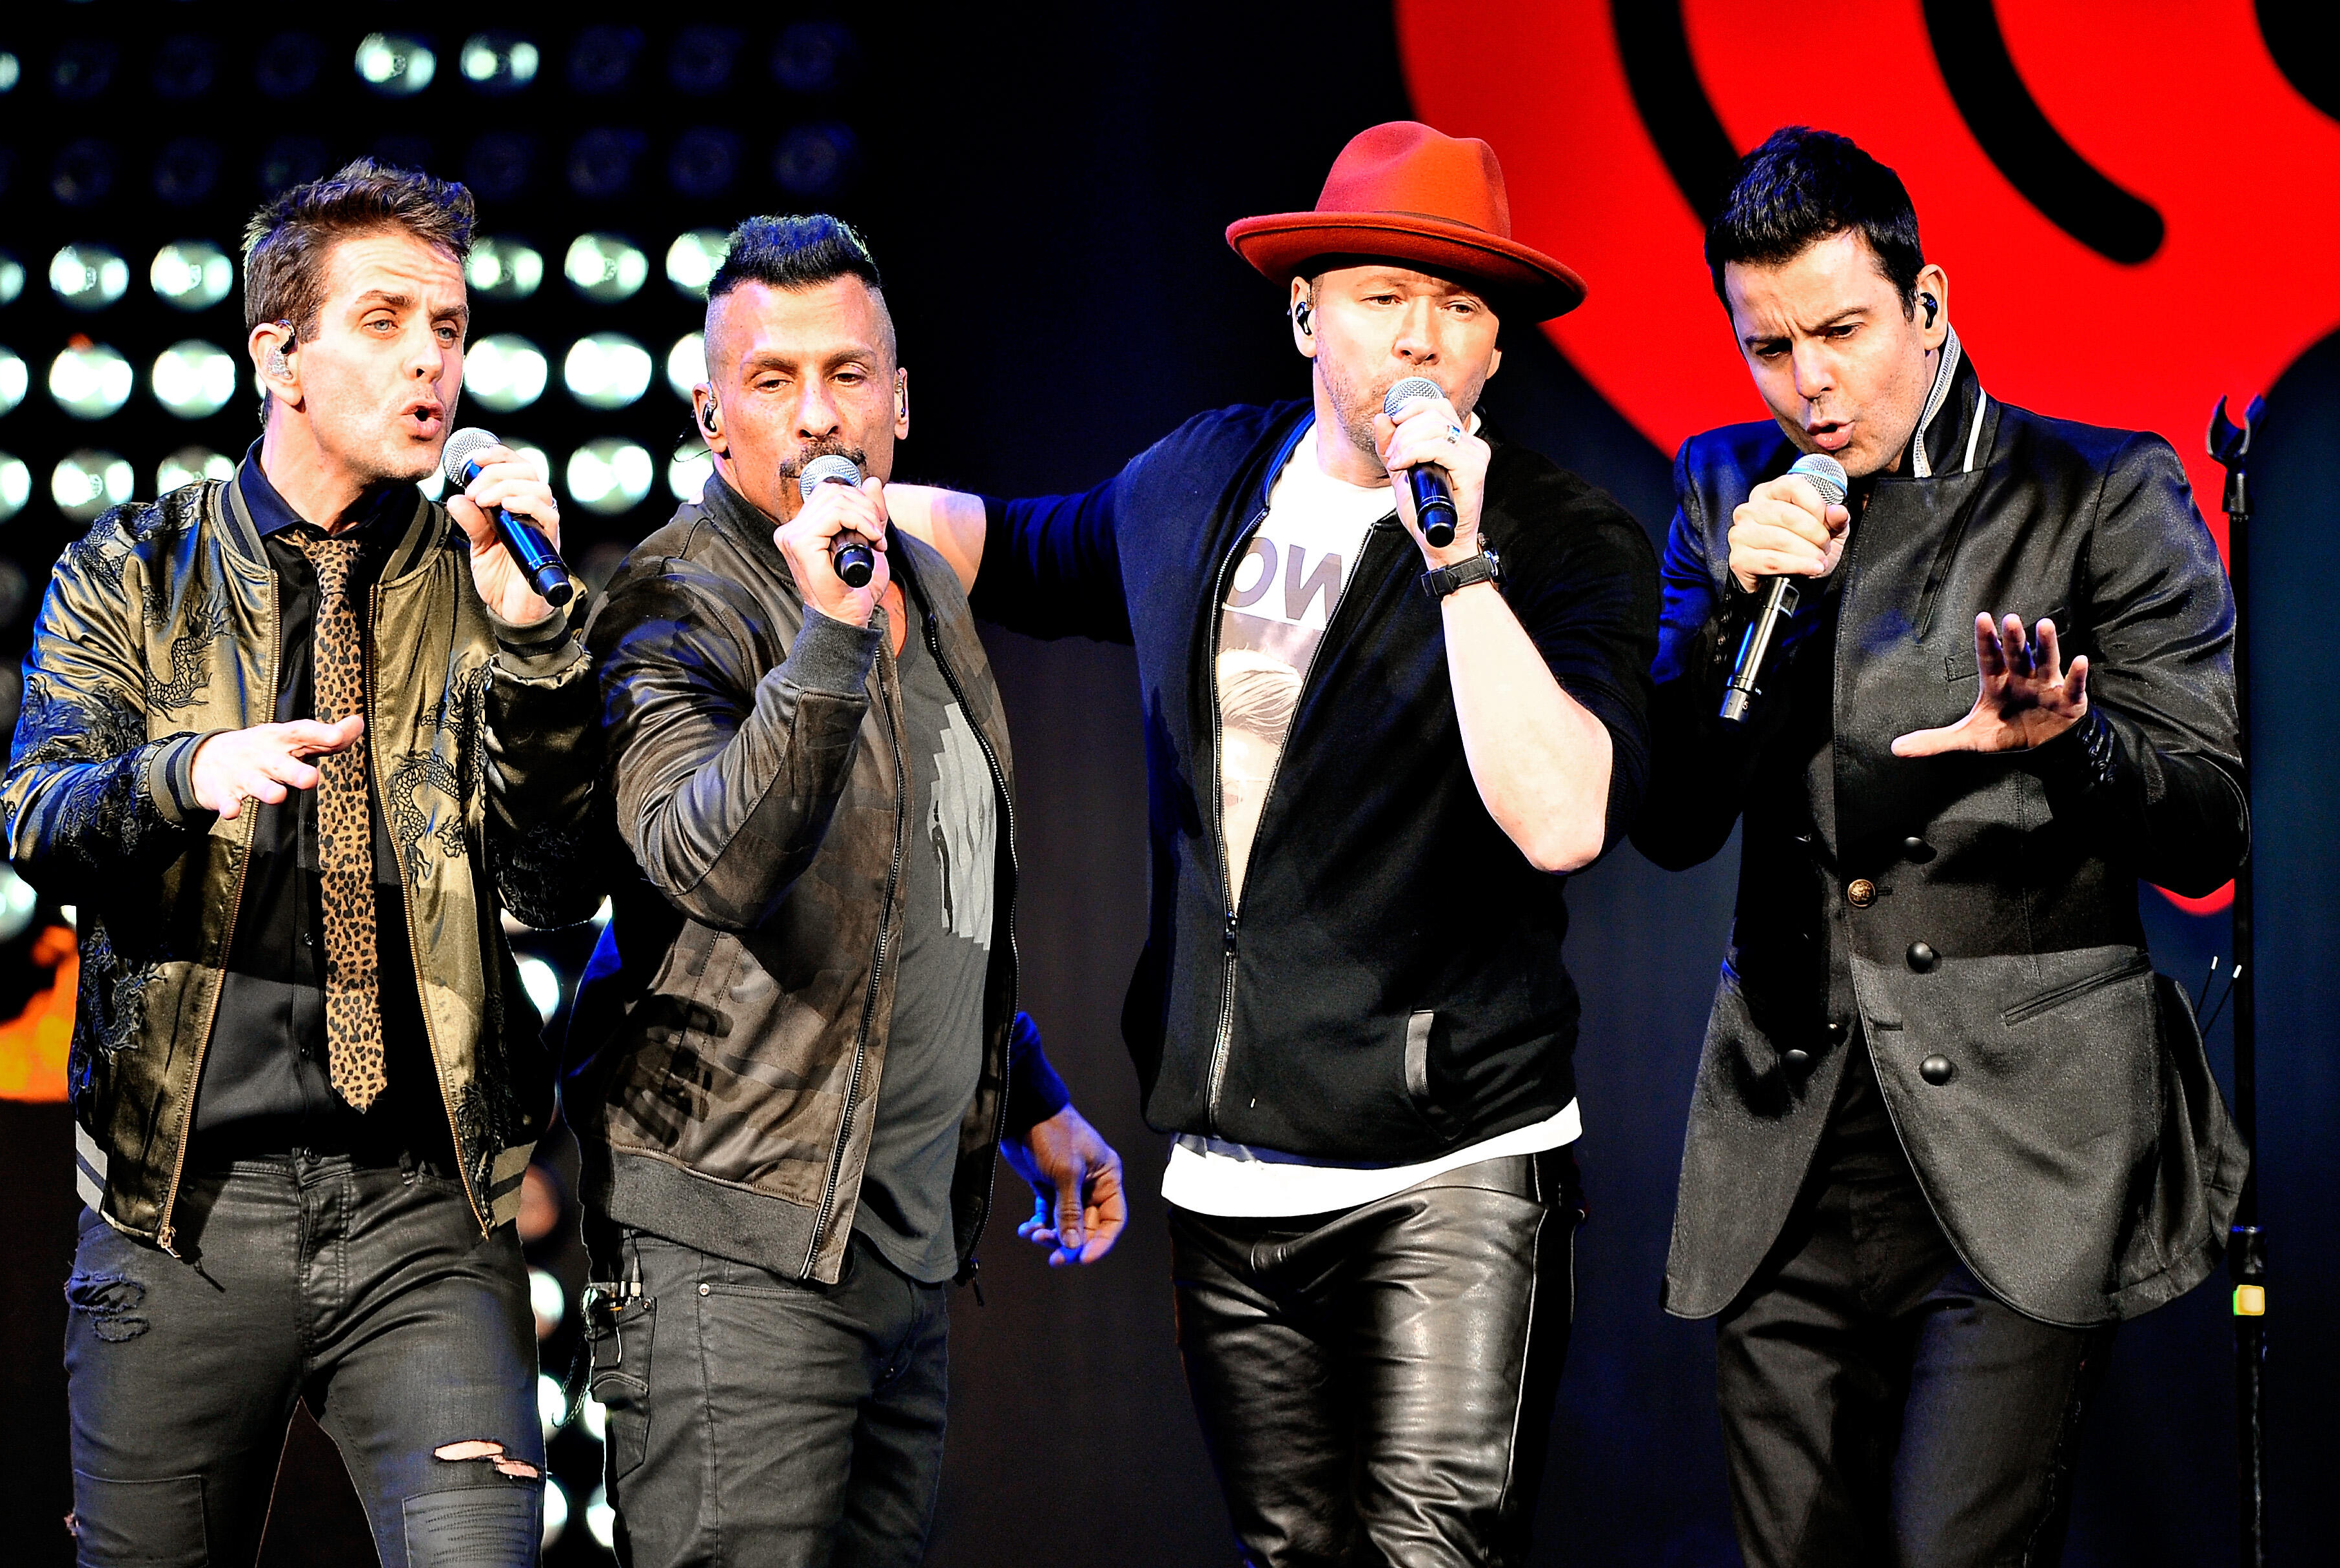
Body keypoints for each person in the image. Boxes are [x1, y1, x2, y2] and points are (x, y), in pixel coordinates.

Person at [889, 122, 1660, 1566]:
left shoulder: (1567, 542)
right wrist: (801, 511)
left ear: (1499, 350)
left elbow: (1561, 818)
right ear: (1306, 310)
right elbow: (1013, 541)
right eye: (1384, 297)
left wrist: (1459, 562)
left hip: (1455, 1163)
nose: (1422, 338)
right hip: (1234, 1181)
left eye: (1462, 306)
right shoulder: (1199, 483)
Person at [1632, 126, 2249, 1565]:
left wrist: (2069, 745)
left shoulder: (2093, 490)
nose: (1809, 382)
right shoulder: (1725, 493)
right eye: (1767, 345)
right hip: (1785, 1132)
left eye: (1842, 331)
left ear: (1929, 305)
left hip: (2020, 1136)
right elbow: (1668, 817)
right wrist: (1730, 599)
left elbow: (2209, 825)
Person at [5, 159, 600, 1567]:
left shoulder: (484, 582)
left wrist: (534, 645)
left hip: (422, 1212)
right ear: (278, 351)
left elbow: (557, 879)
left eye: (448, 329)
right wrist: (185, 773)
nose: (429, 363)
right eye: (385, 321)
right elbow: (38, 815)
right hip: (184, 1213)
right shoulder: (135, 570)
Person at [569, 213, 1129, 1567]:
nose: (818, 418)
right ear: (712, 417)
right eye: (773, 382)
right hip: (736, 1254)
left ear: (900, 399)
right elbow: (714, 863)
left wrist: (1030, 1094)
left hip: (897, 1245)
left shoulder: (922, 584)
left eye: (847, 374)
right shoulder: (670, 605)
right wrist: (822, 636)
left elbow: (919, 891)